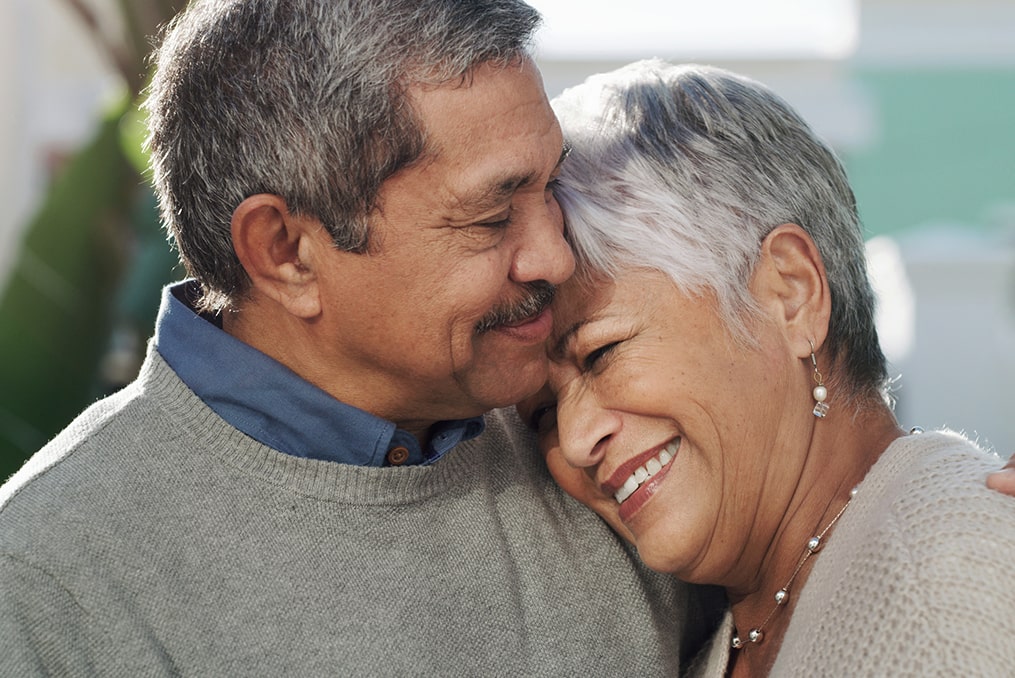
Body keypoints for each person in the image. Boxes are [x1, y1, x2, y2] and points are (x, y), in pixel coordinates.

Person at [0, 4, 721, 675]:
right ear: (284, 251)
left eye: (550, 188)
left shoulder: (607, 440)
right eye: (491, 217)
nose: (554, 259)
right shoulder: (48, 586)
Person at [517, 59, 1015, 676]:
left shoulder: (953, 587)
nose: (575, 438)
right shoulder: (735, 625)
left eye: (600, 353)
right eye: (542, 413)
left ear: (790, 292)